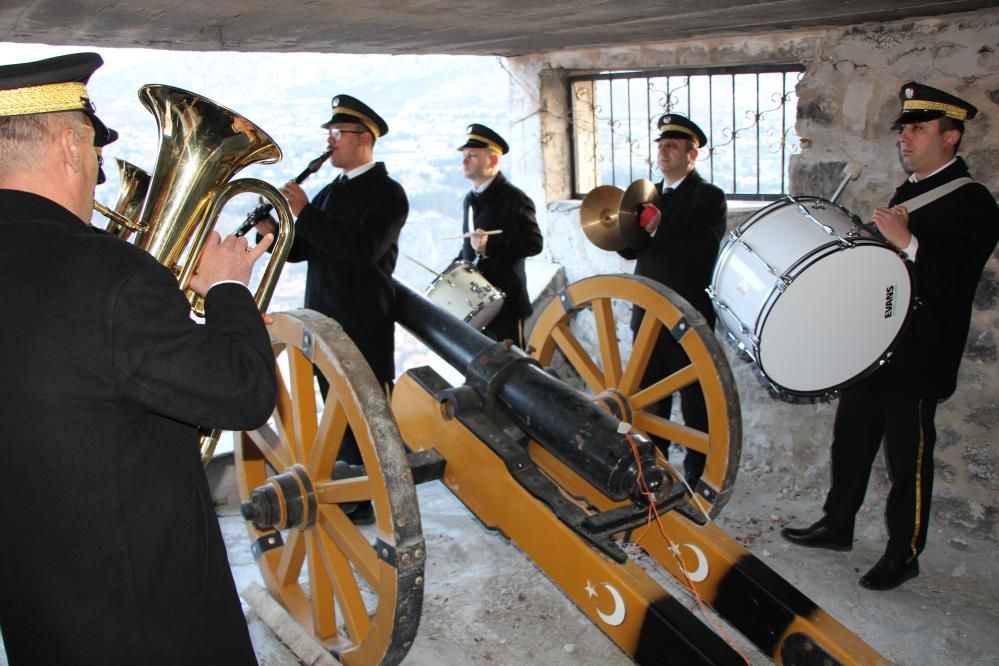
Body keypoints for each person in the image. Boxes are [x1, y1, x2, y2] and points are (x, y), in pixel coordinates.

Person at [0, 53, 277, 664]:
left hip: (34, 609)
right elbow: (244, 391)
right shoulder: (110, 275)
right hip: (148, 620)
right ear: (71, 147)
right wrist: (228, 288)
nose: (97, 173)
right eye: (96, 157)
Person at [781, 82, 999, 591]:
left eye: (917, 128)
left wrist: (909, 242)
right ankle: (838, 525)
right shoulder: (910, 192)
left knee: (908, 461)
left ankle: (904, 554)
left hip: (921, 353)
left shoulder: (973, 202)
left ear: (951, 137)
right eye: (904, 127)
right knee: (850, 443)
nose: (905, 136)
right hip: (876, 344)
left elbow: (955, 280)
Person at [254, 94, 408, 523]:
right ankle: (351, 494)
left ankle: (378, 494)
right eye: (330, 133)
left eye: (337, 133)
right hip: (326, 318)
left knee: (365, 415)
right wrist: (275, 231)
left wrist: (304, 212)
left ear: (364, 138)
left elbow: (363, 250)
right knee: (334, 413)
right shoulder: (330, 191)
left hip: (362, 321)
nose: (330, 141)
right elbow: (305, 249)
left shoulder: (387, 193)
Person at [618, 113, 727, 487]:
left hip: (685, 313)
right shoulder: (650, 196)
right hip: (647, 311)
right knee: (648, 399)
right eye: (661, 146)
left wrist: (658, 227)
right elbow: (635, 253)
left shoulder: (708, 197)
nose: (664, 151)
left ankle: (700, 474)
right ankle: (653, 470)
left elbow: (703, 252)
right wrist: (623, 229)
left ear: (691, 155)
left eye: (673, 146)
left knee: (695, 400)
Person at [453, 123, 543, 345]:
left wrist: (490, 245)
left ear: (493, 160)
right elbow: (471, 244)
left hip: (507, 308)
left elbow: (534, 244)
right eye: (464, 155)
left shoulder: (515, 199)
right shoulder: (470, 199)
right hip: (477, 303)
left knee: (512, 372)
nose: (464, 161)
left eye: (472, 156)